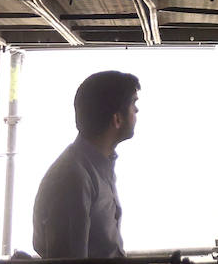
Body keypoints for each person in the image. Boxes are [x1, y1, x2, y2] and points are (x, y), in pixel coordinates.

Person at [32, 71, 140, 259]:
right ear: (117, 119)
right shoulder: (73, 177)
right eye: (133, 104)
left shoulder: (95, 167)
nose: (137, 111)